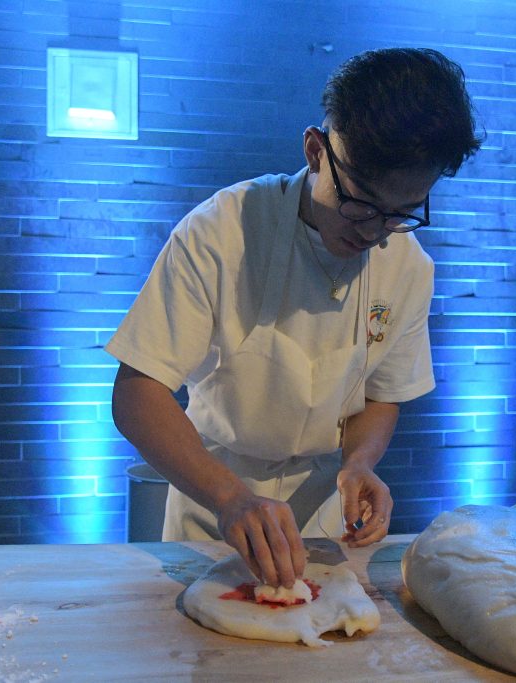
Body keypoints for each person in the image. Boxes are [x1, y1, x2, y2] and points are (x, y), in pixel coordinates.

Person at [108, 47, 480, 587]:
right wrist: (230, 497)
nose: (374, 230)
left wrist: (360, 464)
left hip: (326, 526)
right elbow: (137, 394)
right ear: (315, 150)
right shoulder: (222, 231)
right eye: (361, 201)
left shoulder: (409, 268)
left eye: (401, 213)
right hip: (212, 509)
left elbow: (382, 395)